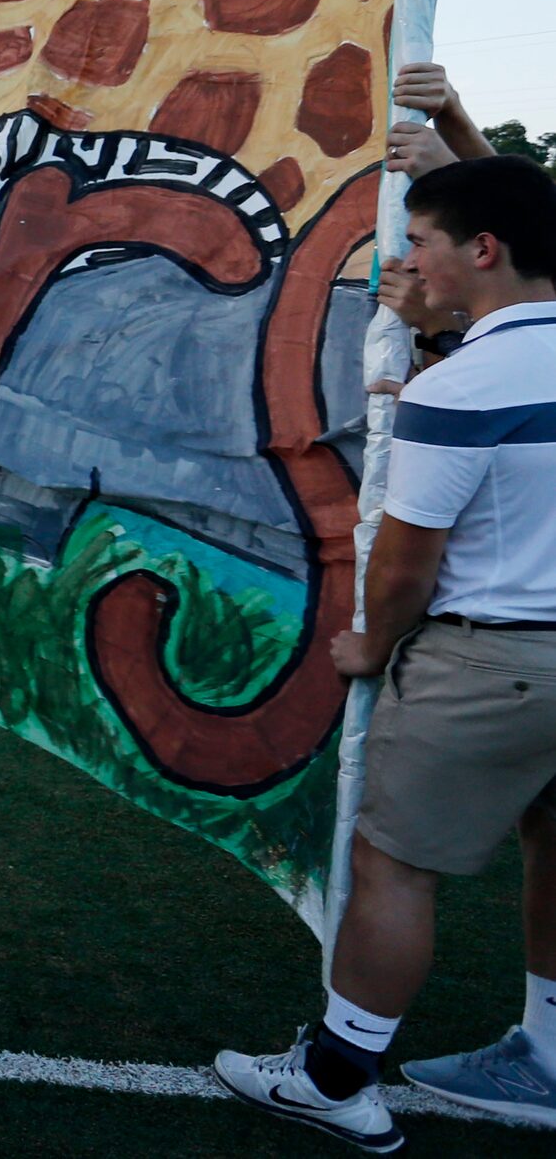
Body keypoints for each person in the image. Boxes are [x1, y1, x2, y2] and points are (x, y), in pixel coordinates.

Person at [215, 156, 556, 1142]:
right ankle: (543, 1051)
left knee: (394, 865)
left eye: (421, 242)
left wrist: (373, 642)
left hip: (492, 660)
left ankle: (336, 1077)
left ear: (480, 250)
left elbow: (405, 567)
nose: (408, 264)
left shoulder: (467, 387)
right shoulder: (479, 364)